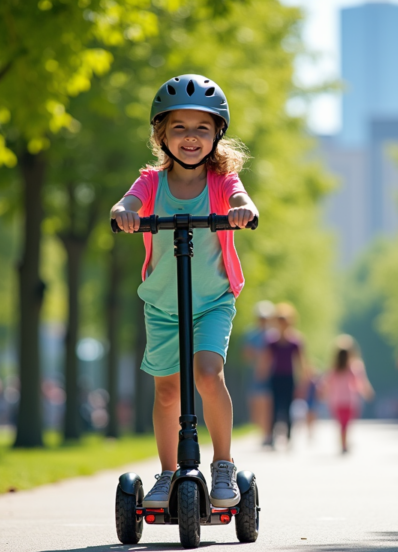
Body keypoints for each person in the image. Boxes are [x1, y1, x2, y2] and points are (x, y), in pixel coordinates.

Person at [110, 74, 258, 508]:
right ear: (161, 134)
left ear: (216, 134)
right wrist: (125, 212)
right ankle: (168, 472)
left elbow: (242, 199)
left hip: (212, 301)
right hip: (163, 305)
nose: (190, 138)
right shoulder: (151, 182)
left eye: (201, 128)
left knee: (208, 374)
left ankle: (224, 464)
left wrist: (242, 211)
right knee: (168, 392)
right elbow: (128, 203)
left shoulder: (222, 181)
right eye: (179, 127)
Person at [257, 303, 307, 447]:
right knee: (274, 407)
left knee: (288, 407)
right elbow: (265, 359)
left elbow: (301, 362)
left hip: (289, 378)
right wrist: (261, 372)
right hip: (275, 377)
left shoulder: (295, 341)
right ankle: (271, 436)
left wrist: (303, 380)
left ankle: (289, 436)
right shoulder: (272, 341)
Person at [321, 335, 374, 453]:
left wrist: (323, 393)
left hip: (336, 401)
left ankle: (343, 442)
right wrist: (367, 392)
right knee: (346, 423)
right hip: (350, 401)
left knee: (342, 424)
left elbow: (326, 383)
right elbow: (361, 383)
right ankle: (344, 443)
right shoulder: (354, 367)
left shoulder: (334, 369)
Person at [242, 301, 275, 442]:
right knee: (256, 404)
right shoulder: (251, 334)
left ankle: (268, 433)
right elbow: (246, 354)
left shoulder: (273, 335)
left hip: (270, 375)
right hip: (254, 374)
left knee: (268, 403)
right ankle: (263, 432)